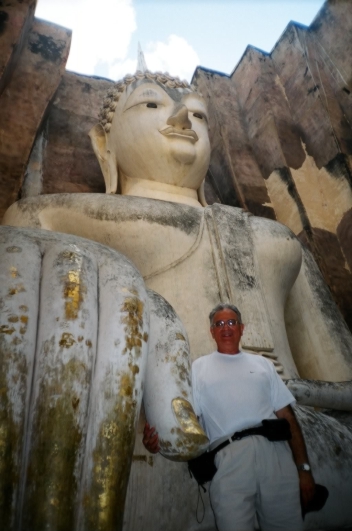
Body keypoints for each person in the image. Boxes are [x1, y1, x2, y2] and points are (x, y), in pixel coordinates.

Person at [143, 302, 316, 531]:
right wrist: (158, 442)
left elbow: (288, 417)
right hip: (229, 457)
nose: (226, 327)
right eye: (219, 324)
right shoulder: (198, 369)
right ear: (212, 331)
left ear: (242, 328)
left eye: (232, 322)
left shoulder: (263, 365)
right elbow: (184, 419)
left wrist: (304, 470)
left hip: (275, 455)